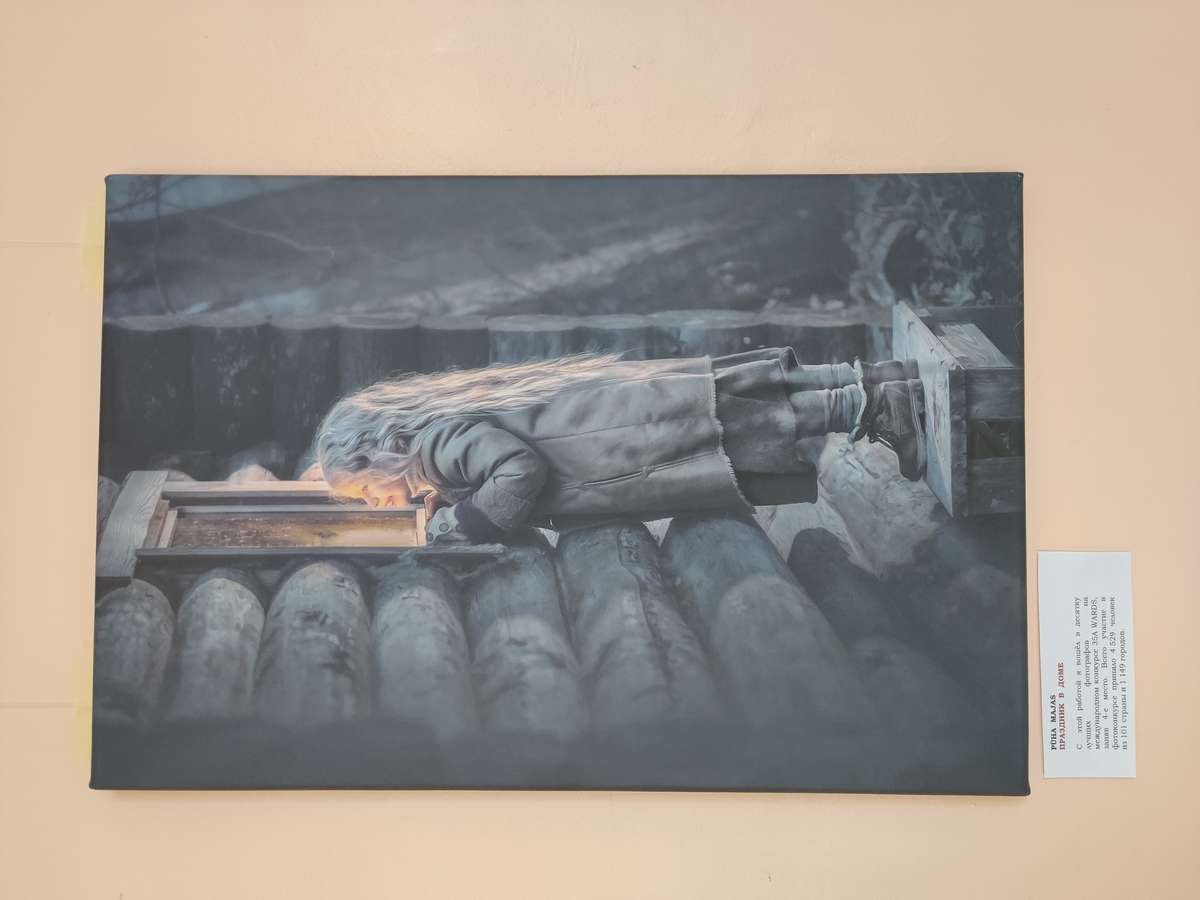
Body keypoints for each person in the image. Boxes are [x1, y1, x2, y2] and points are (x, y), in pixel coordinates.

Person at [315, 348, 925, 544]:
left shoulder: (435, 446)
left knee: (751, 426)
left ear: (378, 452)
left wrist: (465, 523)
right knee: (746, 398)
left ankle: (876, 407)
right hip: (624, 415)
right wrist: (449, 499)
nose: (374, 502)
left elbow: (516, 469)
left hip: (626, 444)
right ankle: (870, 378)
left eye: (366, 489)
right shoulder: (439, 428)